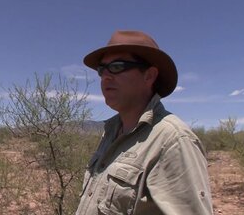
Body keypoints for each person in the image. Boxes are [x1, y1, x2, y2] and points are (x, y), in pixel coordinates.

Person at [76, 30, 213, 215]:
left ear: (149, 76)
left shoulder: (173, 140)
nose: (105, 76)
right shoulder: (110, 132)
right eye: (102, 69)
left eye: (117, 67)